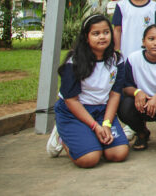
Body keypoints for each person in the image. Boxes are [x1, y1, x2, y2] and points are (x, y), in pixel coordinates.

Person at [47, 14, 129, 167]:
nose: (102, 37)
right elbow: (71, 100)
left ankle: (90, 139)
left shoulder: (117, 60)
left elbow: (114, 94)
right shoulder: (74, 62)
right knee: (89, 159)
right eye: (96, 33)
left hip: (101, 111)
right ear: (86, 37)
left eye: (106, 32)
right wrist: (95, 127)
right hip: (74, 113)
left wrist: (106, 124)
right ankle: (62, 137)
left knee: (118, 153)